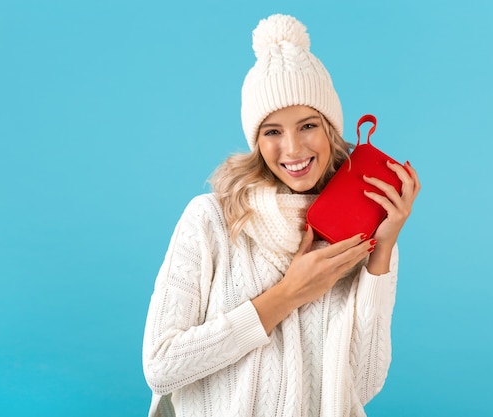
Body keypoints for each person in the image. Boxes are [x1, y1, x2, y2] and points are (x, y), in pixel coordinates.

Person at [142, 13, 421, 417]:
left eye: (307, 125)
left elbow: (362, 386)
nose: (292, 149)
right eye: (272, 131)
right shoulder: (212, 220)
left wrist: (382, 252)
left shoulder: (363, 236)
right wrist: (288, 294)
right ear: (255, 141)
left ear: (331, 129)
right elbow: (161, 367)